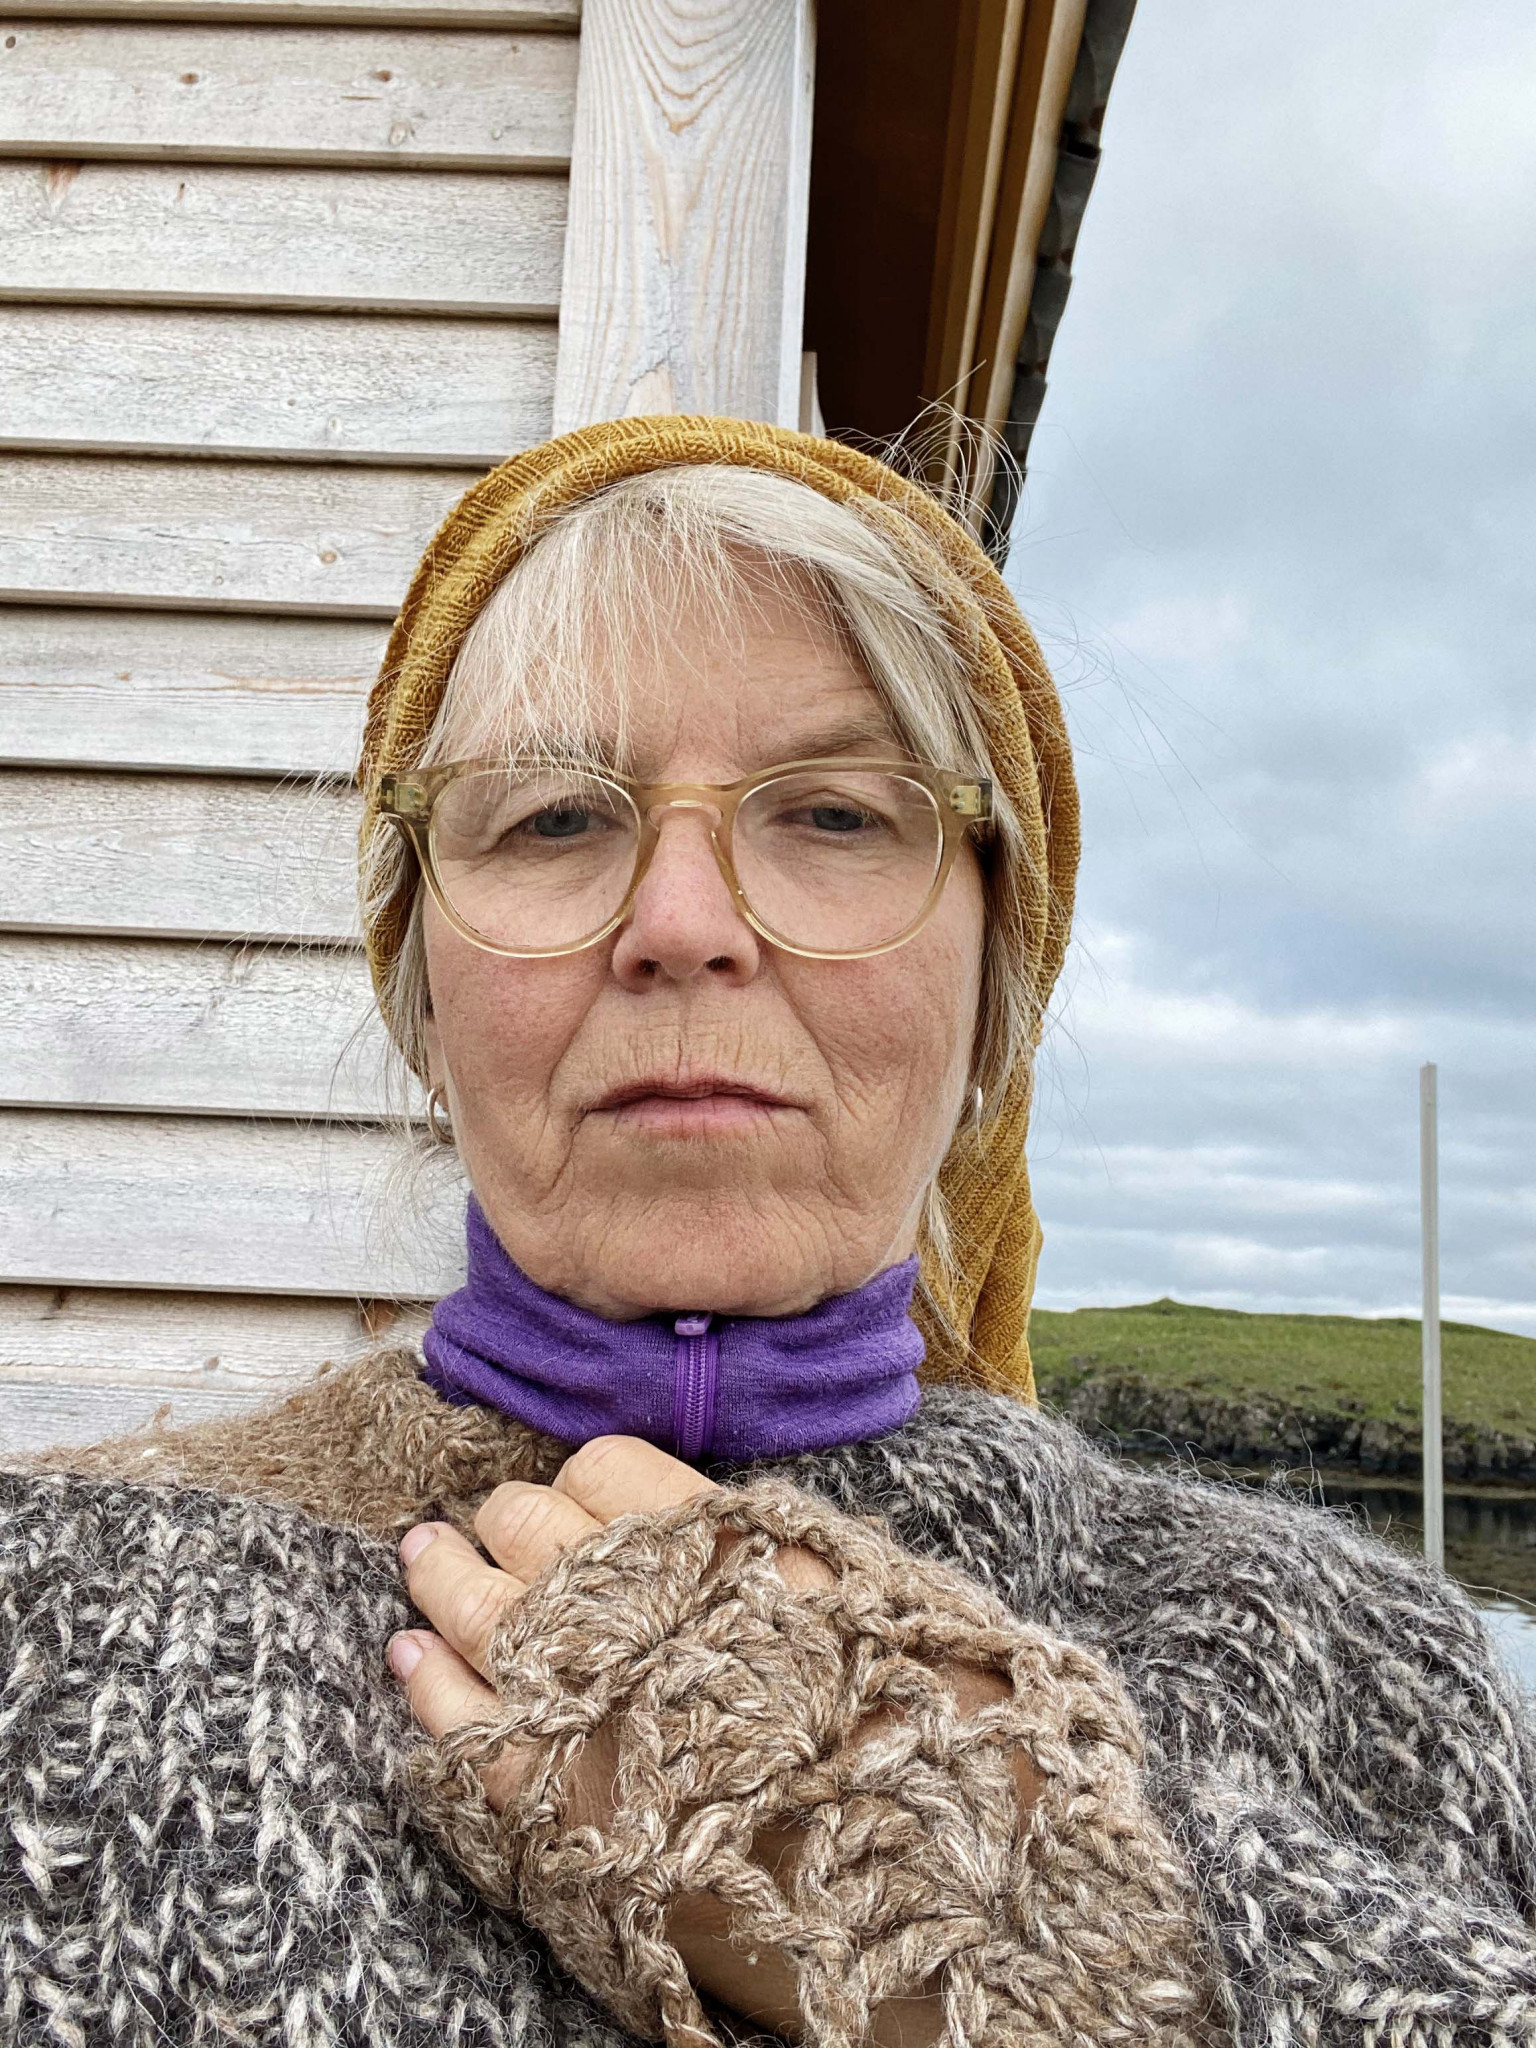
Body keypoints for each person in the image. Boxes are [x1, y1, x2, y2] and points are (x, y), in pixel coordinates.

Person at [3, 417, 1533, 2048]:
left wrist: (1018, 1928)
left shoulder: (1362, 1672)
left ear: (996, 993)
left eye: (835, 815)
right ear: (422, 990)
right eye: (554, 817)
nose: (683, 925)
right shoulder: (44, 1607)